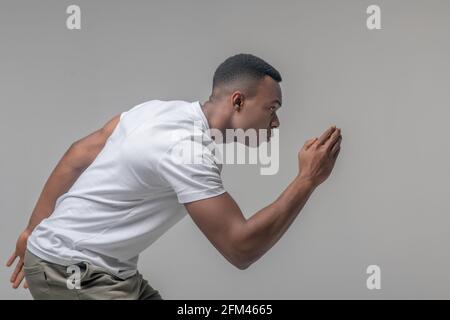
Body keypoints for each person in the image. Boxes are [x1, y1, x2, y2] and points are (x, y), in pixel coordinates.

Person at [6, 53, 342, 299]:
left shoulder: (156, 111)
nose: (276, 124)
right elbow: (241, 248)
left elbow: (76, 154)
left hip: (108, 272)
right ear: (238, 101)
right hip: (71, 273)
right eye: (272, 109)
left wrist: (32, 231)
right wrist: (307, 180)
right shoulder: (188, 151)